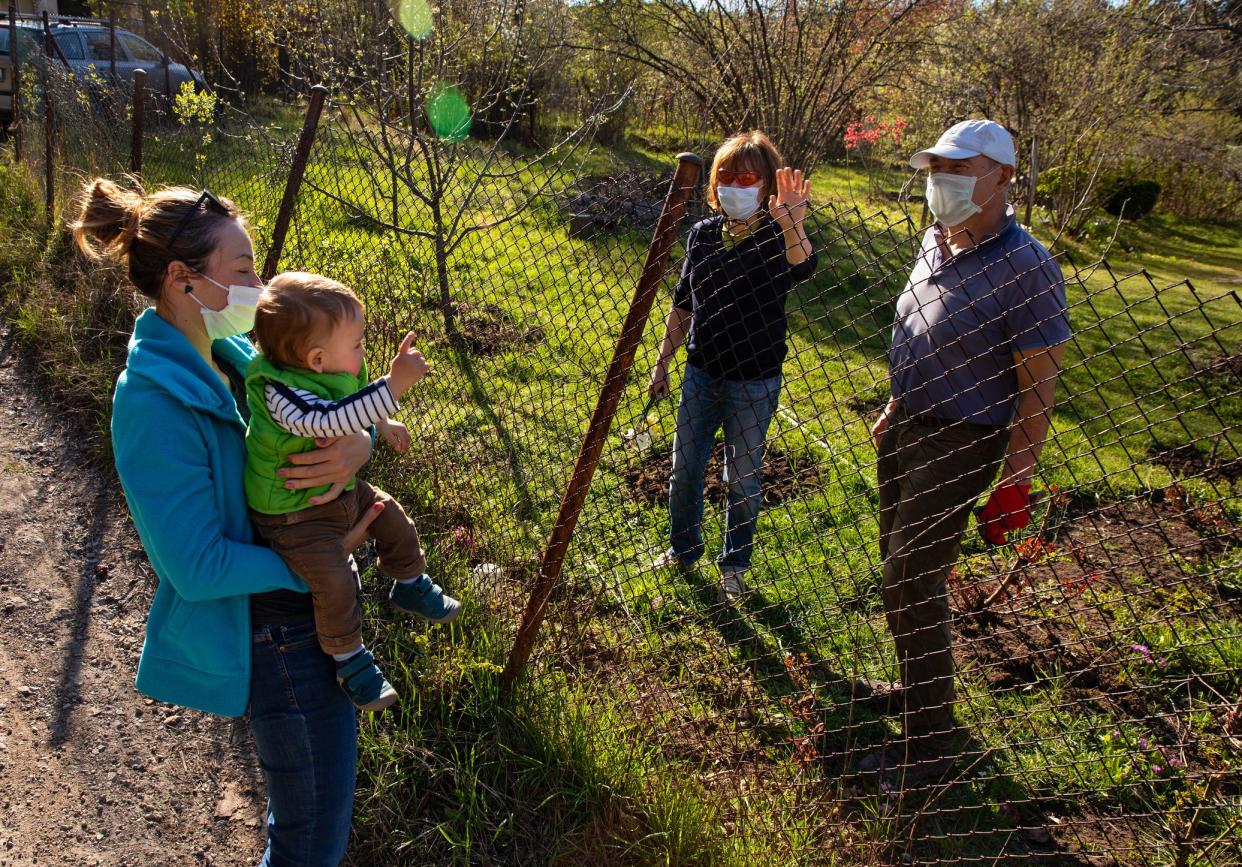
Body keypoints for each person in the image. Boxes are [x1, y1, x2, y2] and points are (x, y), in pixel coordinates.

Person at [74, 180, 378, 864]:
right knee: (309, 844)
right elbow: (196, 565)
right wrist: (315, 562)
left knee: (311, 829)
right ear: (185, 279)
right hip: (278, 637)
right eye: (242, 270)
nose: (260, 284)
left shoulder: (242, 356)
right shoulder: (149, 402)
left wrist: (363, 444)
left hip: (307, 615)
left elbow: (335, 421)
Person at [862, 120, 1070, 782]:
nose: (941, 182)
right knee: (895, 567)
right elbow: (918, 327)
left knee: (910, 578)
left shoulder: (1027, 266)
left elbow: (1038, 383)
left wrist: (1017, 477)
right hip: (907, 426)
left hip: (961, 437)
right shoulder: (936, 243)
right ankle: (917, 691)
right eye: (935, 169)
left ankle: (930, 740)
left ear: (1003, 177)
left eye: (959, 168)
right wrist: (898, 397)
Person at [246, 271, 461, 713]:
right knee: (336, 580)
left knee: (392, 516)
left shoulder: (326, 367)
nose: (363, 350)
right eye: (358, 343)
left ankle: (408, 581)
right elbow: (328, 420)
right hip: (292, 517)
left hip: (337, 491)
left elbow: (356, 396)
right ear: (318, 359)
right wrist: (395, 386)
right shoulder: (281, 395)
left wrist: (383, 422)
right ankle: (349, 658)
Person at [648, 130, 817, 603]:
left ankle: (734, 565)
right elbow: (683, 303)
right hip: (701, 371)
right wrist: (662, 363)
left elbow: (805, 269)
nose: (733, 185)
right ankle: (683, 549)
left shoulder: (777, 238)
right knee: (685, 468)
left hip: (754, 381)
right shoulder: (703, 235)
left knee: (740, 477)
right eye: (726, 175)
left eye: (746, 177)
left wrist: (793, 225)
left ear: (765, 187)